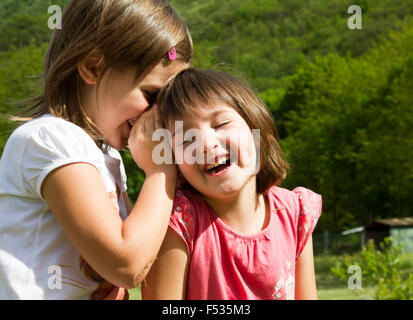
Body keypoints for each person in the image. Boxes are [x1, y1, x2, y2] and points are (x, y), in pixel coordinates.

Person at [0, 0, 192, 299]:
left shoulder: (107, 158)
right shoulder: (51, 139)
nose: (158, 114)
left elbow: (138, 254)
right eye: (151, 95)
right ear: (93, 67)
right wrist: (161, 170)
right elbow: (128, 265)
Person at [141, 68, 322, 300]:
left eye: (220, 124)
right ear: (175, 164)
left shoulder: (296, 214)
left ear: (259, 132)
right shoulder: (178, 222)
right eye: (186, 139)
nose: (205, 144)